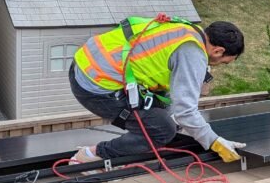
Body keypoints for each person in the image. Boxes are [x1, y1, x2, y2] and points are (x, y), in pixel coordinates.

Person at [68, 15, 248, 164]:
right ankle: (91, 155)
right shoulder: (192, 53)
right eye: (223, 62)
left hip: (86, 62)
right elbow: (185, 110)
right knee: (162, 130)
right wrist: (214, 141)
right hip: (95, 85)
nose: (217, 66)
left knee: (162, 115)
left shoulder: (186, 29)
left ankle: (135, 146)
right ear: (218, 51)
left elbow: (170, 93)